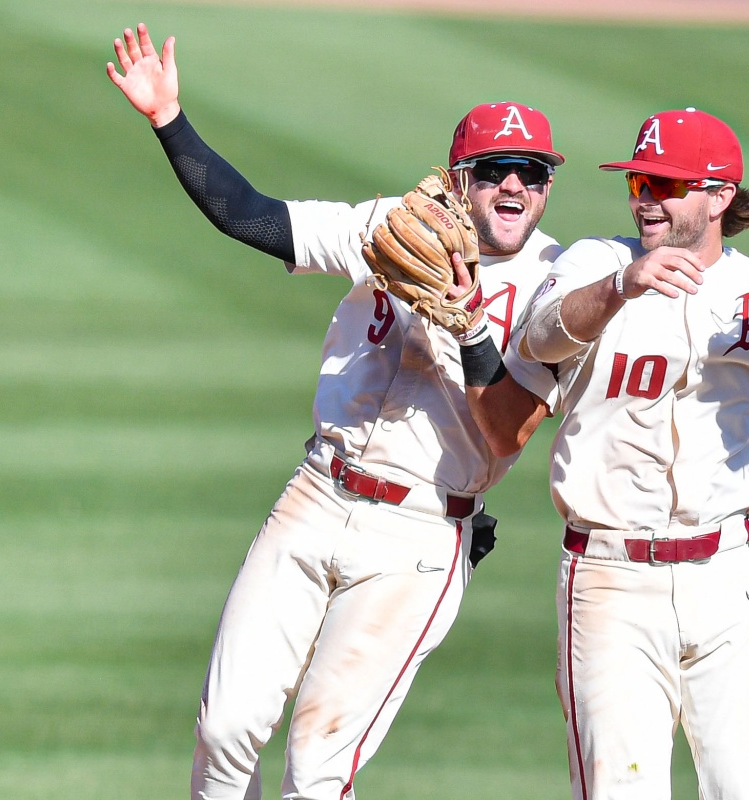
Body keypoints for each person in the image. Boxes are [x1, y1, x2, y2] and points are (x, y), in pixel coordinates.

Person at [105, 23, 565, 800]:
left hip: (419, 535)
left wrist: (470, 322)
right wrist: (167, 118)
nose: (513, 187)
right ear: (458, 179)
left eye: (531, 171)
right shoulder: (393, 227)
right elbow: (251, 216)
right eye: (493, 171)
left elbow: (509, 433)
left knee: (317, 768)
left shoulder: (558, 285)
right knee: (223, 735)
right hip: (317, 495)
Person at [452, 107, 749, 799]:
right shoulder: (598, 263)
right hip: (608, 582)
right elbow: (540, 337)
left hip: (726, 578)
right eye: (639, 183)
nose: (646, 201)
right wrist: (624, 285)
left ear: (720, 197)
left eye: (666, 186)